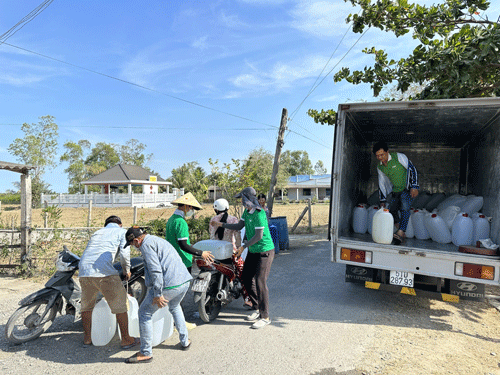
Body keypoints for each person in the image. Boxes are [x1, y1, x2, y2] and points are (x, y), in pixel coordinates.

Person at [123, 227, 193, 364]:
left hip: (170, 284)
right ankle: (185, 341)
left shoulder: (146, 246)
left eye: (132, 244)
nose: (134, 247)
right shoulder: (155, 239)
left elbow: (156, 271)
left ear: (137, 240)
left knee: (144, 313)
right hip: (184, 280)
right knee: (175, 306)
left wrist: (158, 294)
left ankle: (146, 352)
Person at [211, 187, 275, 329]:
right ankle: (257, 308)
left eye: (242, 198)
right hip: (253, 250)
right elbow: (239, 225)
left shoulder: (259, 213)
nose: (241, 201)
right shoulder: (247, 212)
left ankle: (265, 316)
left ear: (248, 198)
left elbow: (258, 236)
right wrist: (220, 224)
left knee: (260, 281)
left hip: (265, 251)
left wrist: (243, 247)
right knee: (246, 277)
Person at [78, 215, 138, 349]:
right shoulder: (121, 232)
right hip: (104, 272)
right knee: (120, 305)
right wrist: (126, 270)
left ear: (106, 225)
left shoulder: (97, 233)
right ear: (120, 224)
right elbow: (124, 254)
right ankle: (126, 339)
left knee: (87, 306)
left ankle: (87, 338)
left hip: (84, 271)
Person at [372, 141, 419, 245]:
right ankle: (400, 229)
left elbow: (412, 169)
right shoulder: (380, 167)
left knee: (405, 207)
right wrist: (383, 199)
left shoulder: (398, 157)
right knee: (390, 210)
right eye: (377, 156)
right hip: (395, 190)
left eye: (382, 154)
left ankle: (401, 231)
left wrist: (414, 186)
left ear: (387, 151)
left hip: (406, 189)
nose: (380, 157)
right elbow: (382, 183)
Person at [209, 198, 251, 308]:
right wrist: (238, 249)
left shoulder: (213, 220)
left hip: (215, 253)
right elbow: (237, 237)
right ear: (227, 208)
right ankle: (247, 299)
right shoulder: (233, 219)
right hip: (230, 253)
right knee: (243, 273)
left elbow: (211, 237)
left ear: (215, 209)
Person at [165, 192, 214, 273]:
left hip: (173, 259)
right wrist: (201, 253)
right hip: (183, 261)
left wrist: (192, 246)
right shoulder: (181, 222)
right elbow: (183, 245)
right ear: (186, 206)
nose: (192, 211)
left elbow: (175, 240)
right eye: (192, 208)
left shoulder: (172, 219)